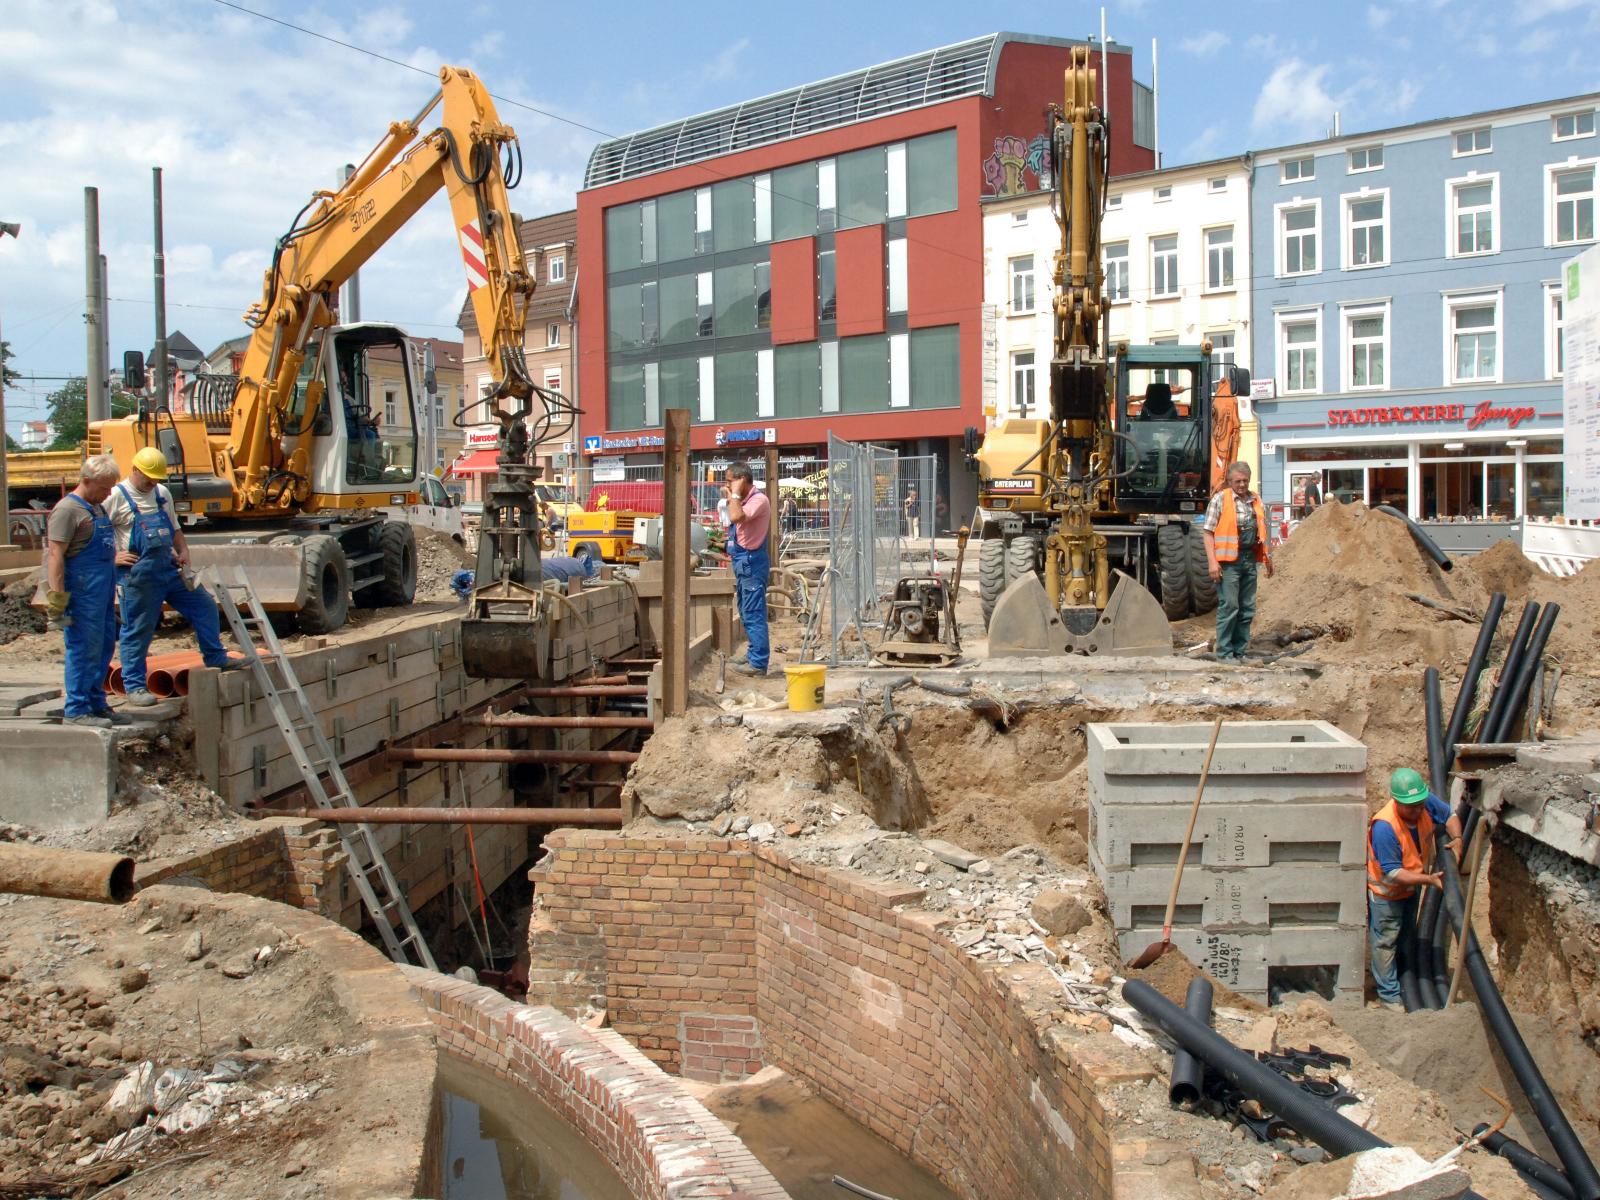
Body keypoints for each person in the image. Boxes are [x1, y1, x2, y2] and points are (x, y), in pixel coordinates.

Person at [106, 447, 243, 706]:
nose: (152, 483)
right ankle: (135, 685)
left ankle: (215, 657)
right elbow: (95, 534)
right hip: (138, 577)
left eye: (157, 478)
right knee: (138, 629)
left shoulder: (161, 494)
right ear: (134, 470)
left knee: (203, 606)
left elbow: (175, 528)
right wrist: (112, 558)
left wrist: (183, 551)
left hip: (169, 570)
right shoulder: (115, 497)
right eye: (148, 478)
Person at [1366, 767, 1464, 1010]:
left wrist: (1458, 839)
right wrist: (1430, 880)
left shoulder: (1423, 802)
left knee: (1407, 936)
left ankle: (1405, 979)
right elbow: (1394, 872)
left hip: (1412, 888)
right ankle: (1389, 996)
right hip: (1386, 894)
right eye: (1411, 806)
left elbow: (1450, 816)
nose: (1418, 810)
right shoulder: (1384, 827)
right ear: (1396, 801)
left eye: (1420, 804)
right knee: (1386, 942)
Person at [44, 455, 125, 727]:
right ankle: (77, 709)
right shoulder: (67, 510)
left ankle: (96, 702)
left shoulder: (97, 508)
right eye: (104, 487)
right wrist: (57, 601)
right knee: (83, 649)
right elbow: (55, 555)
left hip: (101, 592)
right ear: (86, 481)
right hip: (81, 593)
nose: (109, 493)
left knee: (102, 647)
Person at [1202, 462, 1274, 663]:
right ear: (1229, 481)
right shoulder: (1220, 500)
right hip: (1228, 563)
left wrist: (1268, 558)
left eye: (1245, 481)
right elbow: (1208, 533)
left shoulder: (1255, 500)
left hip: (1249, 559)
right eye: (1237, 481)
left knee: (1247, 607)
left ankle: (1239, 651)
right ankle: (1224, 652)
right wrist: (1212, 563)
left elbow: (1262, 531)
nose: (1241, 485)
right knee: (1230, 606)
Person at [722, 463, 771, 677]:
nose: (727, 485)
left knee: (753, 612)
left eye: (730, 480)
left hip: (752, 562)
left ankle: (758, 663)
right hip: (744, 562)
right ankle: (753, 655)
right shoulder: (745, 501)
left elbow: (736, 517)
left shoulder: (758, 500)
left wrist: (733, 494)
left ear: (742, 479)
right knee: (745, 610)